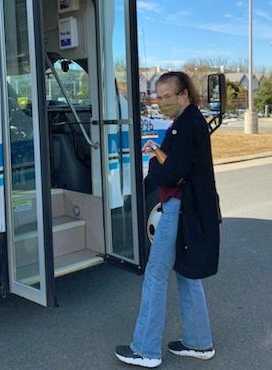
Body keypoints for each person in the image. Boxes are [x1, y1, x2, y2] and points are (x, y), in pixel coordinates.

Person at [115, 71, 221, 368]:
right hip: (190, 208)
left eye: (167, 97)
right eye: (158, 97)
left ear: (184, 94)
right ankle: (200, 343)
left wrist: (151, 160)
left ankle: (146, 348)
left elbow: (171, 172)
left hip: (179, 207)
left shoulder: (186, 125)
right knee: (187, 274)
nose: (162, 102)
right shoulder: (189, 122)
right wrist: (159, 152)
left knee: (155, 274)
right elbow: (176, 163)